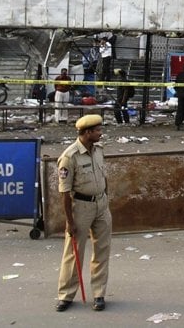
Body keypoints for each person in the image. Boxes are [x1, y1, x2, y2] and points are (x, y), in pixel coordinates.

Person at [55, 114, 111, 313]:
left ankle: (99, 294)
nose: (100, 133)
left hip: (101, 205)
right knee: (74, 252)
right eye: (97, 130)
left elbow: (104, 177)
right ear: (87, 133)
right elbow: (64, 192)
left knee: (102, 251)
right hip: (81, 206)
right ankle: (66, 295)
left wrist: (106, 200)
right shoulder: (69, 157)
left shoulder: (99, 151)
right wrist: (69, 221)